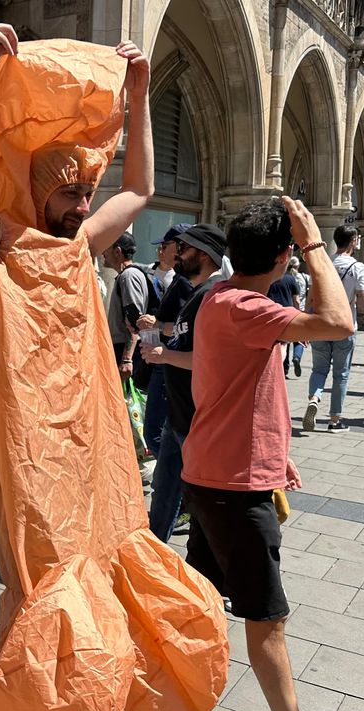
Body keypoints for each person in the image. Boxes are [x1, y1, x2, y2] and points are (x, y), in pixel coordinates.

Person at [0, 27, 228, 711]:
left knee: (92, 585)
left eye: (81, 191)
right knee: (45, 597)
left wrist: (137, 99)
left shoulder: (78, 248)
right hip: (26, 456)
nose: (82, 202)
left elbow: (136, 186)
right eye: (68, 191)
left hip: (92, 447)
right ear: (36, 189)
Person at [182, 197, 364, 711]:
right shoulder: (246, 306)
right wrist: (318, 244)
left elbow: (240, 387)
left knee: (201, 600)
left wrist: (272, 452)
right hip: (231, 489)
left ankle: (171, 702)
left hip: (221, 475)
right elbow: (343, 324)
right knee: (266, 620)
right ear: (284, 255)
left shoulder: (224, 300)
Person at [139, 223, 227, 548]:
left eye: (185, 249)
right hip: (179, 414)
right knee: (163, 494)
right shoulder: (196, 290)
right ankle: (153, 557)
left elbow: (208, 358)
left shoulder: (211, 295)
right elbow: (182, 336)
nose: (178, 254)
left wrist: (163, 355)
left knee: (203, 503)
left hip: (195, 419)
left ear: (202, 254)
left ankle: (218, 576)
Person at [136, 224, 196, 460]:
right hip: (169, 362)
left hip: (169, 363)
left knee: (156, 433)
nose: (160, 251)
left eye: (165, 246)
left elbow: (184, 329)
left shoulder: (184, 282)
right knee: (167, 433)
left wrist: (157, 325)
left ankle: (185, 482)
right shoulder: (181, 280)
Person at [302, 224, 364, 432]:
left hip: (321, 323)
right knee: (341, 373)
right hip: (344, 325)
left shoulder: (322, 263)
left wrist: (306, 321)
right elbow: (363, 298)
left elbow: (311, 297)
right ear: (353, 242)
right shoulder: (358, 267)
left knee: (319, 368)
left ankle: (315, 397)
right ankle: (334, 420)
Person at [104, 231, 156, 388]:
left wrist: (127, 359)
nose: (102, 253)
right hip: (125, 350)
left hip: (125, 352)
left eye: (106, 249)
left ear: (117, 251)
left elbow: (135, 321)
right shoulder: (127, 275)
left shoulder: (129, 276)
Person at [268, 263, 302, 376]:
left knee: (274, 341)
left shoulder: (270, 277)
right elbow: (296, 299)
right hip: (287, 312)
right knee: (286, 341)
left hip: (271, 311)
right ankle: (284, 368)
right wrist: (298, 312)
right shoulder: (291, 279)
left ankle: (275, 365)